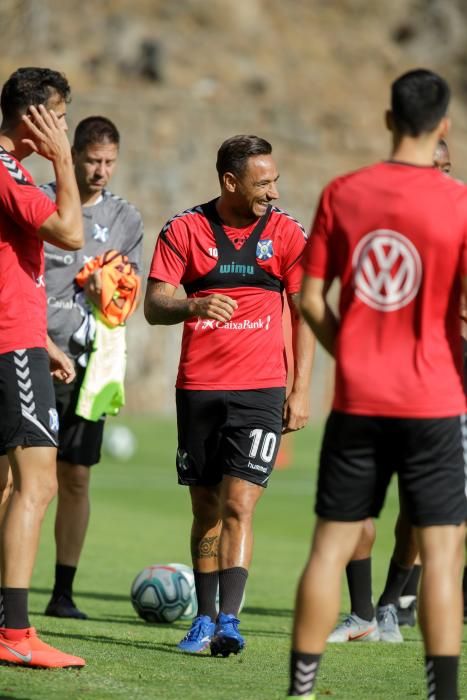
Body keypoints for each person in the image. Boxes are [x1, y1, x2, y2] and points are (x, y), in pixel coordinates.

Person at [288, 69, 467, 700]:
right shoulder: (460, 203)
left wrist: (354, 354)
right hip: (436, 403)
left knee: (328, 550)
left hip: (359, 401)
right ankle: (442, 695)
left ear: (387, 119)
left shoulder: (343, 192)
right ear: (443, 125)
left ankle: (301, 691)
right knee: (443, 558)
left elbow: (310, 299)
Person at [144, 134, 314, 656]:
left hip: (260, 390)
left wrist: (300, 388)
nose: (274, 192)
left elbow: (305, 313)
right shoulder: (185, 230)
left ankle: (230, 622)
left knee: (240, 503)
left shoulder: (286, 234)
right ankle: (203, 616)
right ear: (230, 182)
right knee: (205, 506)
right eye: (263, 183)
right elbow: (154, 305)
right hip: (198, 389)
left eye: (276, 180)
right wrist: (192, 308)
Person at [326, 138, 454, 645]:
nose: (436, 175)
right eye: (430, 165)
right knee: (357, 506)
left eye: (445, 168)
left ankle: (387, 605)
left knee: (422, 512)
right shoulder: (385, 218)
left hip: (441, 386)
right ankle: (364, 611)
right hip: (387, 383)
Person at [0, 66, 85, 668]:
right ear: (33, 115)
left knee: (9, 485)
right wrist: (63, 161)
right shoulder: (6, 168)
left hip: (17, 338)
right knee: (39, 482)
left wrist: (42, 339)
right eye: (59, 113)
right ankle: (15, 634)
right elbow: (70, 232)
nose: (64, 125)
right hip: (9, 345)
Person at [42, 116, 143, 619]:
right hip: (31, 354)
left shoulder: (126, 220)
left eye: (110, 163)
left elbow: (127, 298)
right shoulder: (39, 202)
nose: (102, 171)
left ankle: (63, 593)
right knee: (20, 480)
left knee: (76, 478)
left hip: (87, 367)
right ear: (73, 155)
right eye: (93, 161)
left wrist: (111, 286)